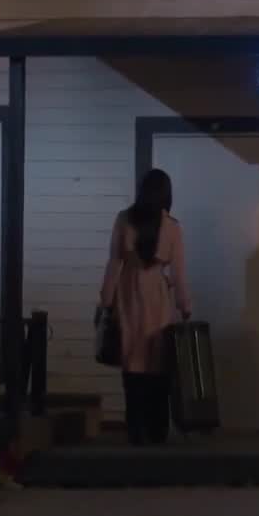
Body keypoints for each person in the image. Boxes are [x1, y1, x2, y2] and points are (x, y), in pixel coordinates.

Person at [100, 168, 192, 445]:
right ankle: (158, 429)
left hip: (128, 294)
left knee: (132, 364)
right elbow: (178, 273)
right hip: (157, 297)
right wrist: (185, 306)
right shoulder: (172, 227)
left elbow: (114, 263)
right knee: (158, 364)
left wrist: (106, 301)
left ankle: (135, 428)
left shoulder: (124, 219)